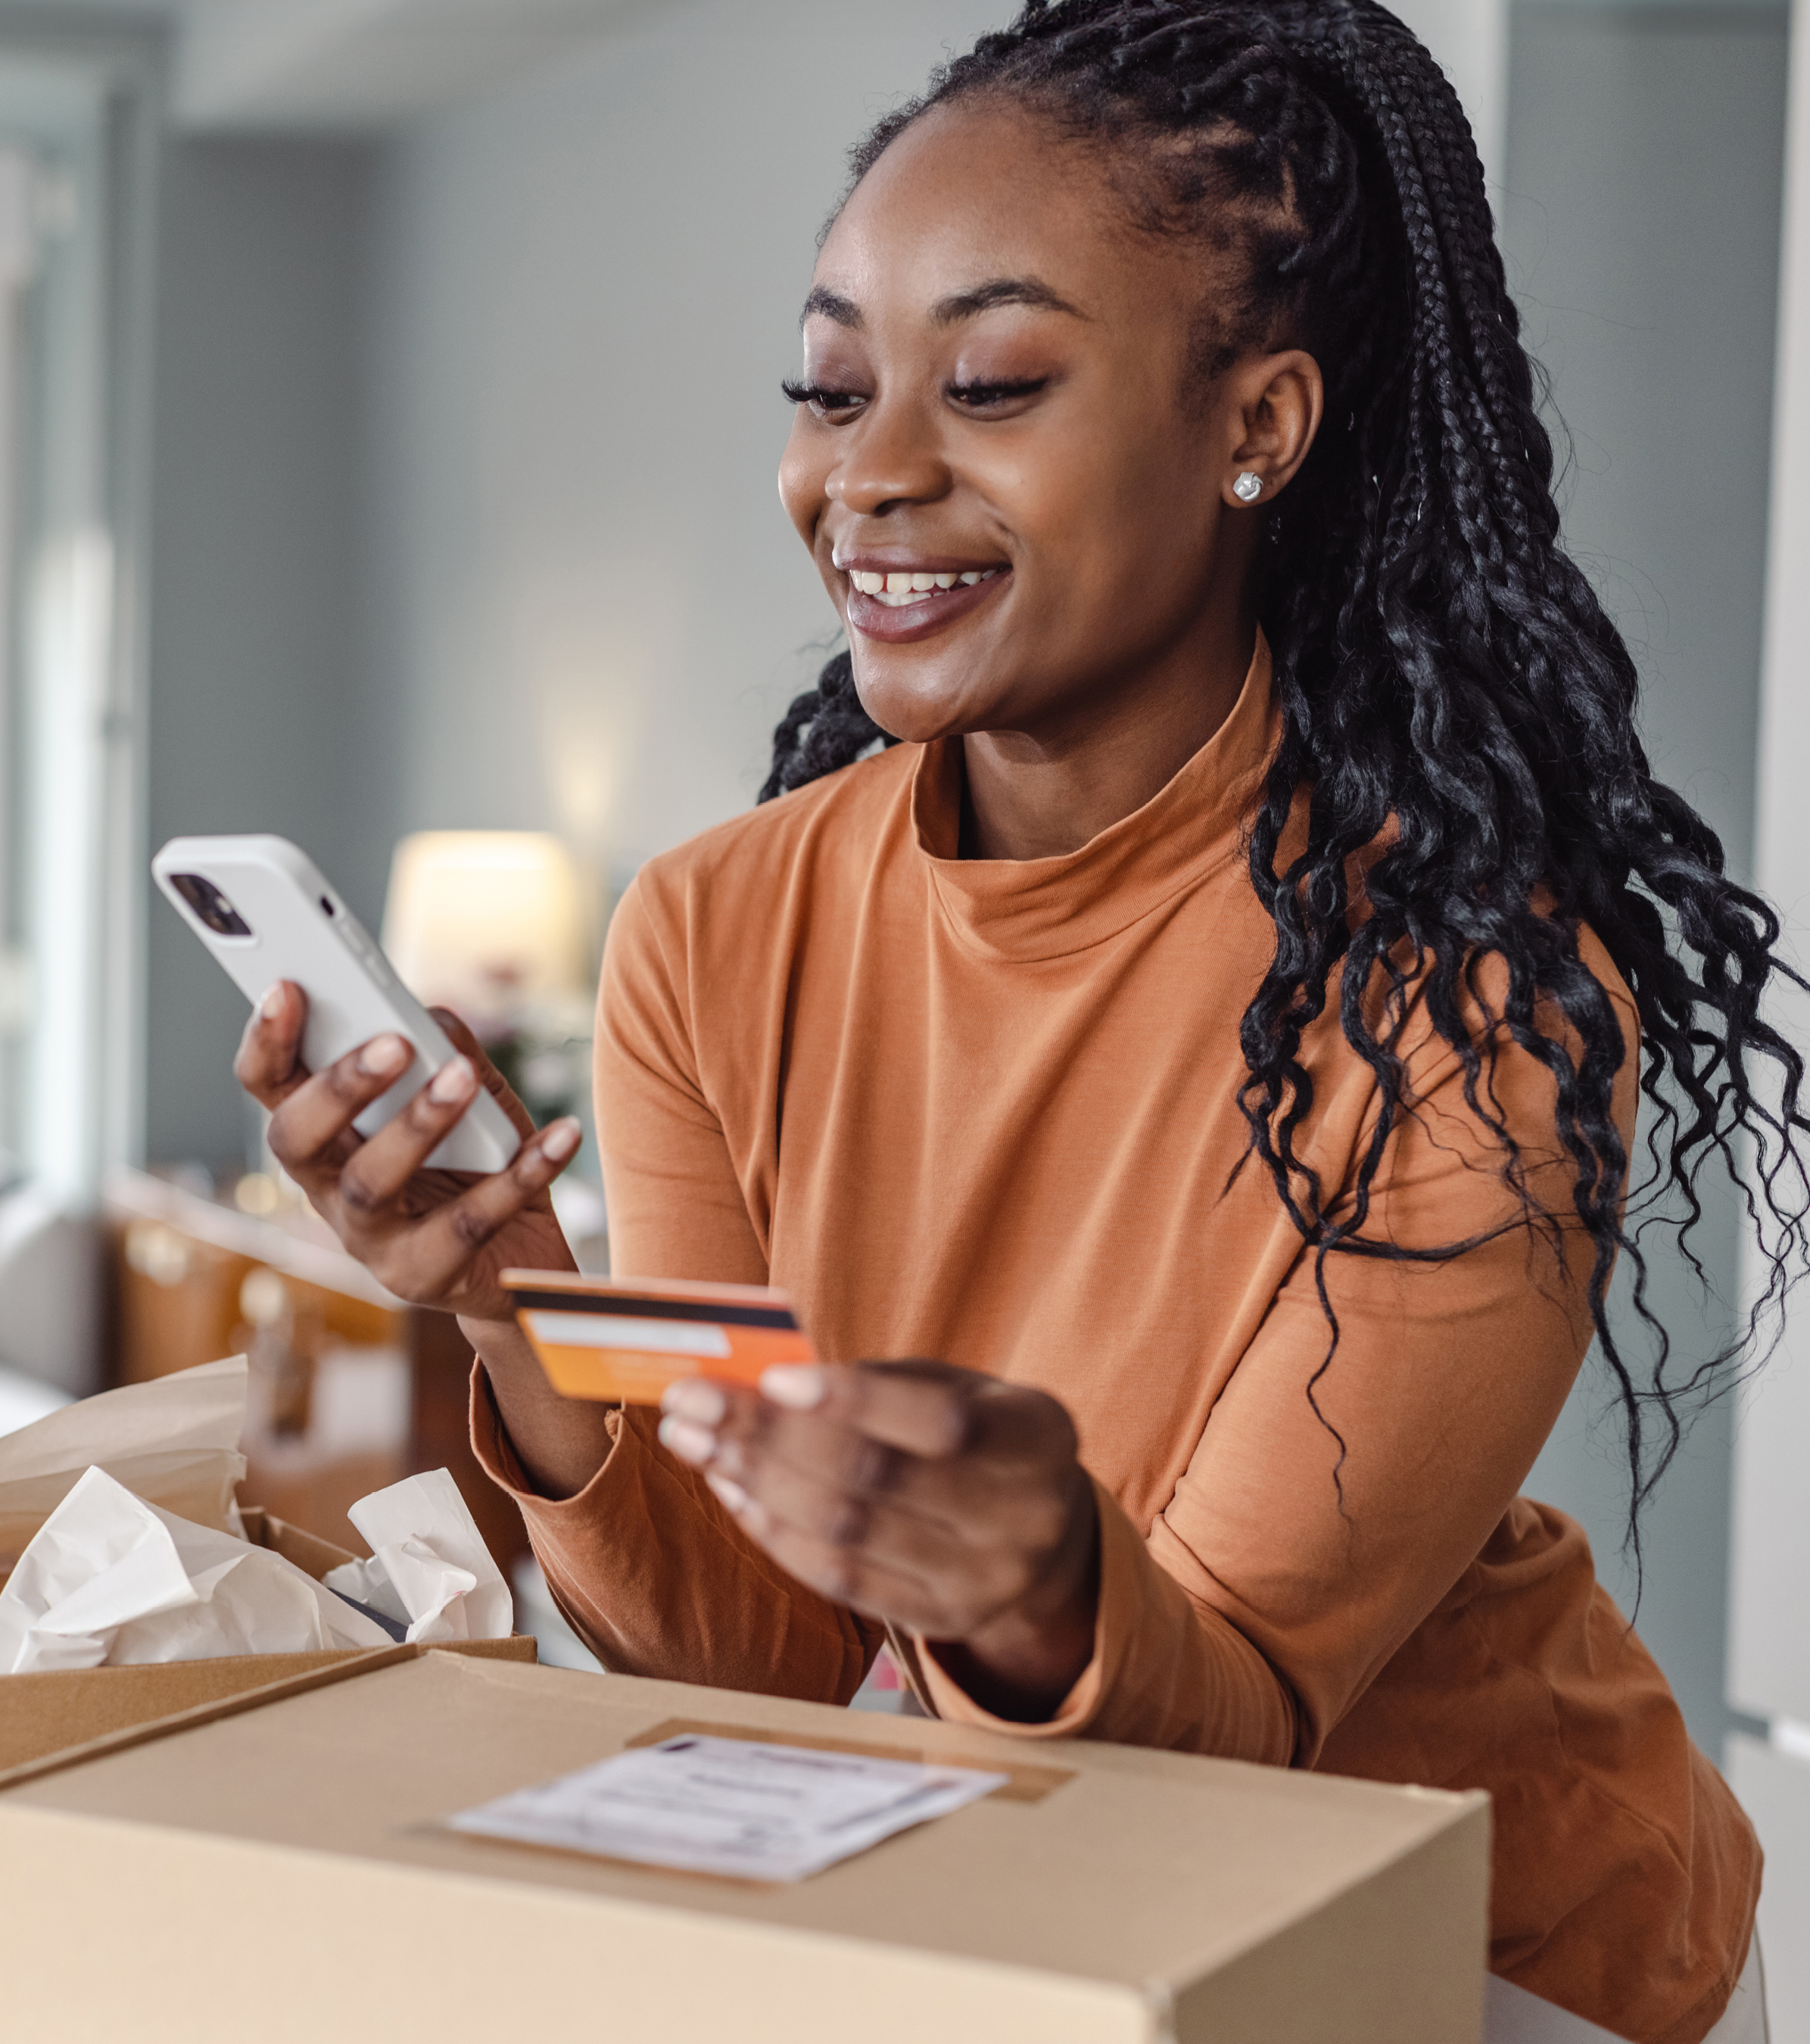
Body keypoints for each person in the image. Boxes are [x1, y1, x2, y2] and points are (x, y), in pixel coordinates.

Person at [236, 2, 1792, 2036]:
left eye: (989, 381)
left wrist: (1039, 1584)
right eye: (828, 384)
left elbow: (1227, 1728)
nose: (867, 473)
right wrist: (515, 1300)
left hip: (1472, 1940)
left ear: (1259, 424)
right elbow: (762, 1673)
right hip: (999, 1884)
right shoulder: (714, 933)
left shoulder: (1469, 986)